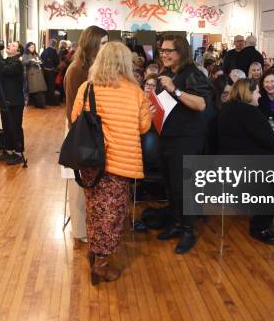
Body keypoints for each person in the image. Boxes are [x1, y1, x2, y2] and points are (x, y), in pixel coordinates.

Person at [70, 41, 151, 285]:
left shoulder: (87, 88)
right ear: (125, 63)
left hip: (91, 161)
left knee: (95, 209)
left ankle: (95, 252)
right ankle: (101, 266)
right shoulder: (135, 91)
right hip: (119, 162)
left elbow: (76, 118)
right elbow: (144, 126)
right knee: (112, 214)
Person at [218, 79, 274, 244]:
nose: (259, 95)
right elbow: (271, 140)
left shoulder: (226, 109)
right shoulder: (249, 111)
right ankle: (266, 226)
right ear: (249, 93)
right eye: (257, 92)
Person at [156, 35, 212, 254]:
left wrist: (175, 90)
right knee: (170, 185)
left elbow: (201, 104)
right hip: (168, 137)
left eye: (170, 51)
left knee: (185, 188)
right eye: (162, 51)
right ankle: (177, 224)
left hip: (187, 139)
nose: (165, 54)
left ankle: (188, 231)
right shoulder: (167, 72)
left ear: (182, 52)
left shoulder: (193, 74)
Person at [63, 26, 109, 244]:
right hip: (80, 131)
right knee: (78, 183)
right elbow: (74, 109)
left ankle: (88, 229)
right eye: (103, 43)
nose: (106, 48)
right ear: (92, 45)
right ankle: (80, 231)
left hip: (89, 131)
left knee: (88, 182)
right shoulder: (77, 70)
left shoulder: (91, 67)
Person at [0, 42, 26, 165]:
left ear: (17, 52)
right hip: (5, 100)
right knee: (6, 126)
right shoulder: (8, 60)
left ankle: (18, 153)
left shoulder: (17, 63)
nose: (9, 45)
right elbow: (1, 69)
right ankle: (8, 151)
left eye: (13, 45)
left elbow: (4, 69)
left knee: (15, 127)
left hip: (15, 102)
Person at [22, 42, 47, 108]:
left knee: (39, 89)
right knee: (34, 90)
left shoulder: (36, 54)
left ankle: (40, 104)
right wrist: (30, 61)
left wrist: (40, 62)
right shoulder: (25, 55)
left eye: (33, 47)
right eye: (31, 47)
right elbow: (23, 62)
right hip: (31, 74)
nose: (33, 48)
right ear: (28, 47)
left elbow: (41, 60)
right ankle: (38, 104)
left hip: (38, 73)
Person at [41, 39, 60, 105]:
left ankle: (45, 101)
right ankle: (50, 102)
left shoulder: (45, 50)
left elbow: (41, 58)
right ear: (55, 44)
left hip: (44, 71)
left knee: (45, 86)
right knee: (51, 86)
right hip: (51, 71)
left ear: (49, 43)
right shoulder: (54, 51)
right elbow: (57, 61)